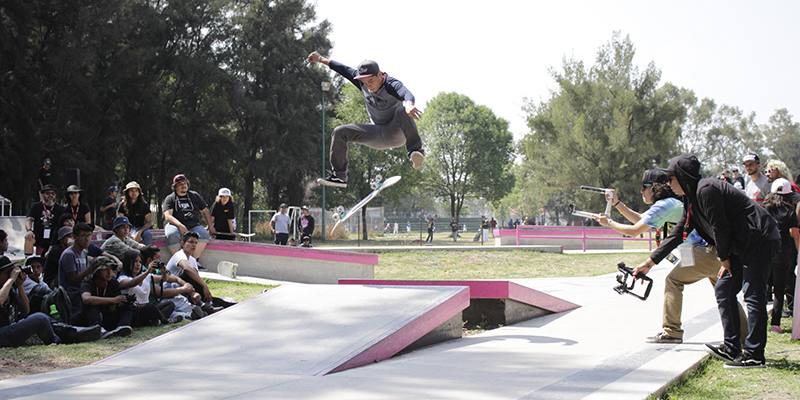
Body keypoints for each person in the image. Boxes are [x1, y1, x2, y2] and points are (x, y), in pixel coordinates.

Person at [633, 155, 780, 369]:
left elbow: (720, 227)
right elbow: (678, 234)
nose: (668, 183)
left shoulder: (706, 190)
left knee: (753, 294)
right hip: (741, 244)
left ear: (683, 176)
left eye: (671, 178)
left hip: (760, 239)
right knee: (723, 289)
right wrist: (649, 264)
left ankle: (754, 355)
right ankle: (731, 347)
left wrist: (724, 258)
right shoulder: (692, 198)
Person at [594, 169, 747, 344]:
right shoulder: (671, 203)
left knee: (674, 281)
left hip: (702, 253)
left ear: (655, 188)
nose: (642, 191)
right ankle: (746, 338)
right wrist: (616, 203)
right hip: (710, 253)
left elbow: (635, 230)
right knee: (726, 296)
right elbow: (639, 219)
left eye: (645, 187)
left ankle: (672, 331)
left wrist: (609, 223)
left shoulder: (665, 205)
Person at [307, 52, 425, 188]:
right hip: (376, 133)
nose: (368, 85)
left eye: (371, 81)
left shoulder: (390, 84)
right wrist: (320, 59)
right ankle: (339, 177)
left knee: (402, 110)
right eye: (365, 82)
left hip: (395, 132)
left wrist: (409, 104)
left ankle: (415, 152)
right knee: (340, 131)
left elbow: (406, 92)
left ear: (379, 74)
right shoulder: (361, 83)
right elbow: (343, 69)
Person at [1, 256, 101, 346]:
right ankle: (59, 341)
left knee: (46, 318)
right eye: (7, 273)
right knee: (40, 318)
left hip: (9, 329)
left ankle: (75, 333)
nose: (10, 275)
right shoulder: (5, 287)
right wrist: (11, 279)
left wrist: (19, 286)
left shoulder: (9, 289)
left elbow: (26, 310)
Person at [761, 179, 799, 333]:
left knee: (762, 287)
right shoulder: (789, 210)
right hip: (783, 251)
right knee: (779, 289)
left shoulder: (764, 208)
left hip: (765, 251)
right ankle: (775, 324)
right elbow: (795, 234)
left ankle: (759, 321)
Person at [165, 231, 224, 315]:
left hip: (187, 289)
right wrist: (204, 285)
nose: (194, 245)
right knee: (189, 273)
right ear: (182, 244)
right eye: (191, 242)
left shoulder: (192, 260)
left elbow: (196, 279)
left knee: (220, 302)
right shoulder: (179, 255)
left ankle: (209, 304)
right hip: (173, 288)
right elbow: (186, 269)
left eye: (196, 243)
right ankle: (206, 306)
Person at [117, 250, 181, 326]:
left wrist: (164, 272)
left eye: (140, 262)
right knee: (150, 307)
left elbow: (164, 279)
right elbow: (132, 283)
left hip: (146, 310)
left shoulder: (146, 276)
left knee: (169, 304)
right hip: (133, 312)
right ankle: (165, 321)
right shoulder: (122, 278)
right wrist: (147, 271)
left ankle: (155, 321)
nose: (138, 265)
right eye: (135, 261)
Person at [76, 256, 133, 339]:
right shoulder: (88, 283)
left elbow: (111, 308)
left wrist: (120, 303)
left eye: (110, 268)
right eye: (105, 269)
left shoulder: (113, 283)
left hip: (106, 316)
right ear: (97, 272)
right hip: (88, 318)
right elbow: (86, 299)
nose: (109, 272)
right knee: (92, 305)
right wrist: (113, 300)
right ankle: (98, 329)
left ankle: (123, 326)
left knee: (127, 306)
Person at [140, 246, 200, 321]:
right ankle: (190, 313)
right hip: (152, 304)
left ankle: (196, 309)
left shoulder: (157, 270)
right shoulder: (143, 273)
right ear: (149, 260)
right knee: (171, 301)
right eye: (158, 258)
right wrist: (183, 289)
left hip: (159, 301)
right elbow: (159, 292)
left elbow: (176, 279)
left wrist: (191, 292)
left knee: (175, 285)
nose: (161, 260)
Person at [162, 174, 214, 259]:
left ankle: (194, 260)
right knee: (171, 235)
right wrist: (180, 226)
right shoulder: (170, 198)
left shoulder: (194, 195)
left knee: (204, 234)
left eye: (185, 183)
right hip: (175, 226)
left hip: (193, 225)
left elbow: (205, 211)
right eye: (180, 184)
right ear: (175, 187)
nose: (183, 186)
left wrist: (210, 226)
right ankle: (179, 260)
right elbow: (168, 216)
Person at [58, 223, 95, 316]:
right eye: (84, 236)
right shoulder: (69, 254)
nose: (87, 239)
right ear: (74, 237)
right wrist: (90, 268)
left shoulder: (84, 253)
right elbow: (72, 281)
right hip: (72, 295)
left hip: (83, 290)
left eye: (89, 235)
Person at [25, 184, 65, 255]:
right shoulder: (36, 206)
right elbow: (29, 220)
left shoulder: (60, 208)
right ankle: (28, 258)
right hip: (39, 235)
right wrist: (29, 230)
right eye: (48, 193)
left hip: (54, 236)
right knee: (28, 237)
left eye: (53, 193)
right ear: (42, 194)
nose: (50, 195)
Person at [117, 181, 153, 245]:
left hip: (140, 228)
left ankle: (148, 250)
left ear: (139, 193)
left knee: (148, 234)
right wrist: (127, 233)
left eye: (136, 191)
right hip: (126, 228)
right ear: (127, 192)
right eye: (131, 191)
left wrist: (139, 232)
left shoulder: (144, 205)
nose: (134, 193)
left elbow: (149, 222)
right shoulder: (122, 205)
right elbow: (119, 221)